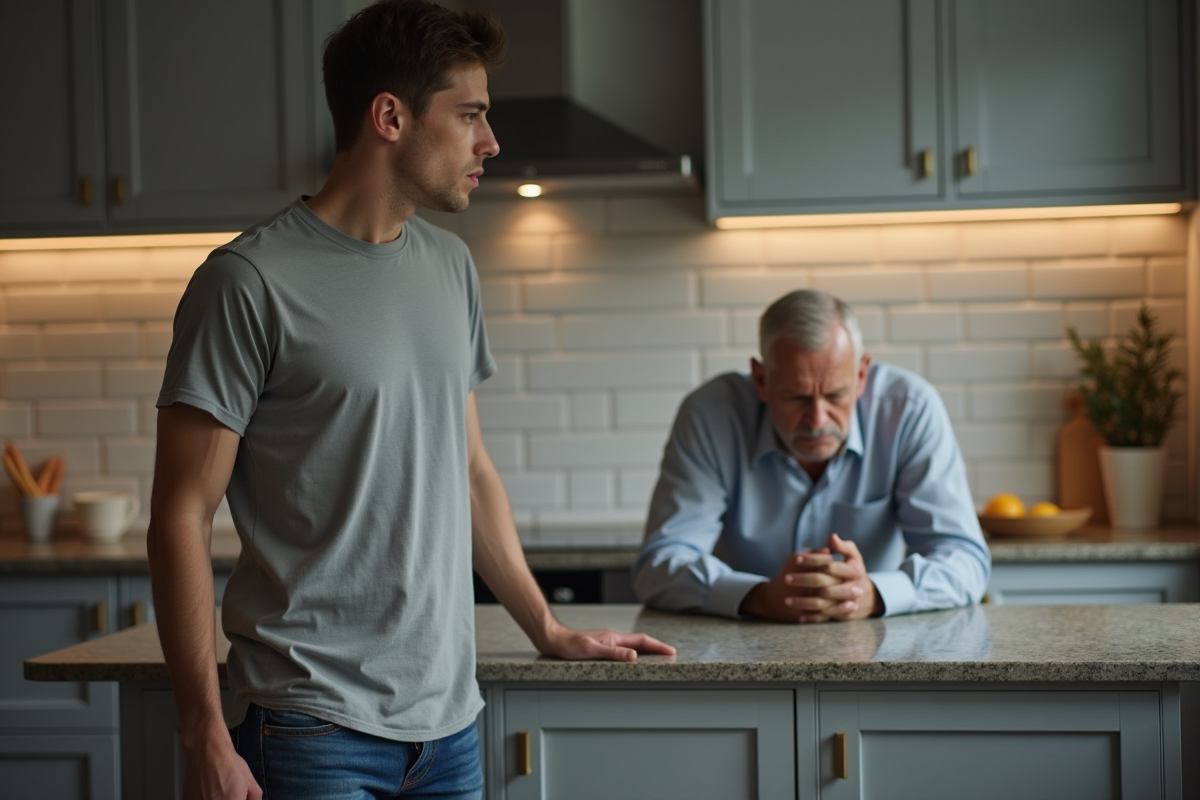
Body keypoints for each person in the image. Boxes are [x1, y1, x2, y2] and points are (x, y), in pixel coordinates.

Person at [147, 3, 673, 799]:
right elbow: (181, 514)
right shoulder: (247, 282)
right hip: (309, 723)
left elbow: (469, 473)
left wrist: (548, 627)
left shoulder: (450, 266)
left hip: (450, 726)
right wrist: (202, 734)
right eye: (470, 116)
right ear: (390, 117)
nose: (490, 143)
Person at [633, 289, 990, 623]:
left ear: (862, 374)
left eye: (835, 395)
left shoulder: (909, 411)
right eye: (796, 397)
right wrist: (758, 596)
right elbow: (660, 565)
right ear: (761, 380)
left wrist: (872, 595)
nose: (818, 420)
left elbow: (965, 560)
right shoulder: (710, 416)